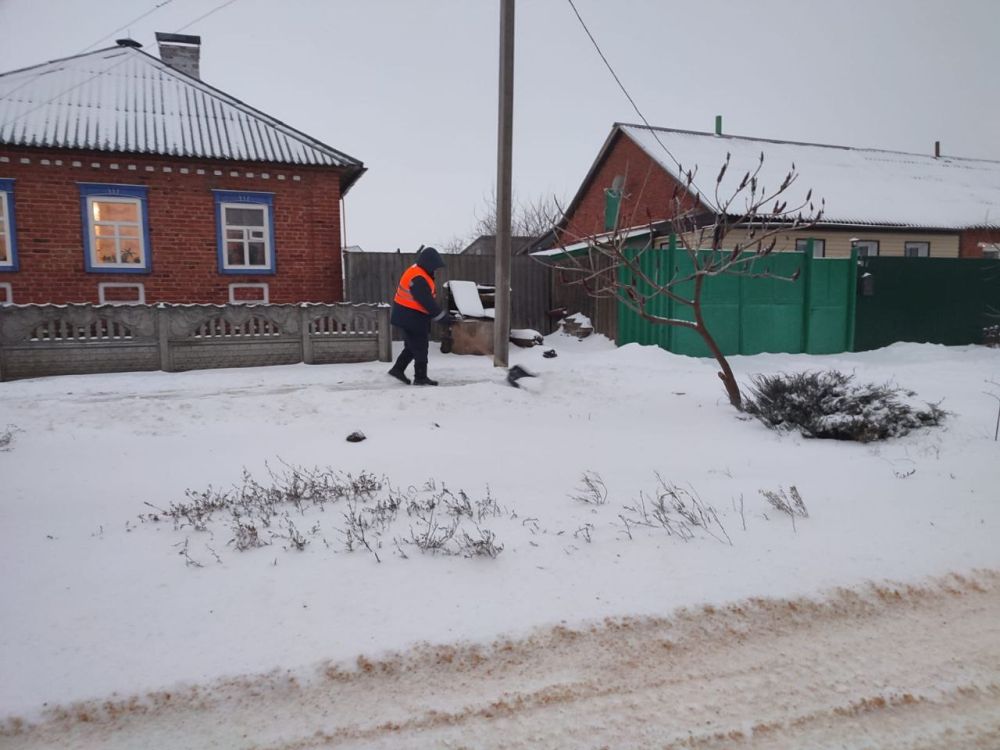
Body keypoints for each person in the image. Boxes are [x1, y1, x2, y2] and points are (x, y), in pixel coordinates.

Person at [388, 246, 454, 386]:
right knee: (421, 346)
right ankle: (420, 377)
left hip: (408, 315)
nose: (435, 270)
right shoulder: (419, 277)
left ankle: (397, 370)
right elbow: (426, 301)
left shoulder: (418, 272)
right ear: (428, 264)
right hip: (410, 317)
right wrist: (441, 316)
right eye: (434, 267)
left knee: (413, 346)